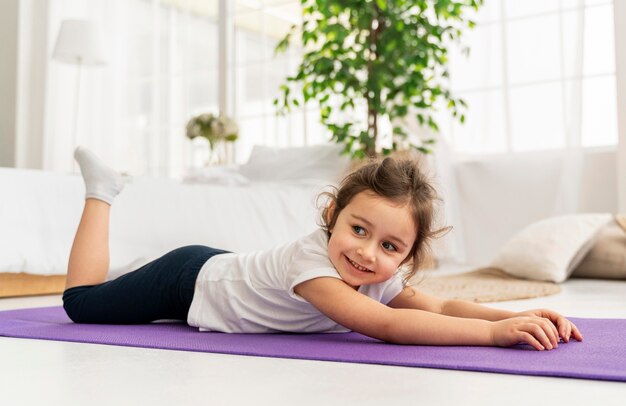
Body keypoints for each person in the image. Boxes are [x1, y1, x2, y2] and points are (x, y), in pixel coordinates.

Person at [63, 146, 583, 351]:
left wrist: (515, 315)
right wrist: (493, 336)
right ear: (332, 215)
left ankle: (131, 273)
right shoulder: (313, 264)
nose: (367, 255)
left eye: (389, 246)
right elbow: (386, 326)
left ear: (405, 257)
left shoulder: (376, 272)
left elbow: (441, 306)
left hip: (225, 273)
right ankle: (102, 192)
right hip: (187, 280)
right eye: (358, 230)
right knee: (82, 305)